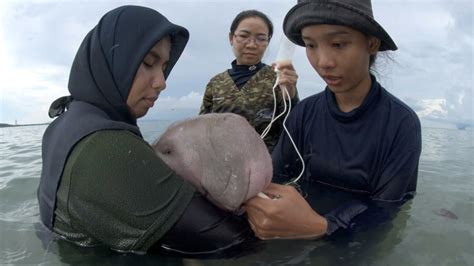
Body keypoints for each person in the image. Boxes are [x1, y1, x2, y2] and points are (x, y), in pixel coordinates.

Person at [38, 5, 253, 255]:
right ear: (112, 62)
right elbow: (235, 241)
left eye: (163, 67)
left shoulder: (63, 125)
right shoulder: (108, 149)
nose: (162, 82)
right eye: (149, 62)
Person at [244, 0, 421, 240]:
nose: (323, 61)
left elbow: (386, 209)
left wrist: (322, 227)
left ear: (371, 43)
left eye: (338, 44)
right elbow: (274, 178)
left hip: (354, 243)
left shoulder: (402, 124)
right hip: (290, 236)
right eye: (310, 45)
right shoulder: (304, 113)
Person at [199, 10, 299, 152]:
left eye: (261, 38)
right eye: (244, 36)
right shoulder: (215, 83)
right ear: (231, 38)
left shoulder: (279, 79)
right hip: (222, 167)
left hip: (268, 167)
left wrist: (290, 95)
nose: (252, 45)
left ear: (268, 41)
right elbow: (202, 130)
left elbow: (295, 127)